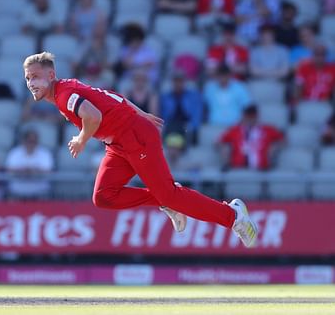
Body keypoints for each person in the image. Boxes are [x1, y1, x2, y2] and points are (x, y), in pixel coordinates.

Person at [23, 51, 258, 247]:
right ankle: (166, 201)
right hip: (118, 143)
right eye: (27, 79)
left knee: (170, 194)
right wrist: (140, 112)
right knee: (104, 196)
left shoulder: (64, 95)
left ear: (51, 75)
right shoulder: (67, 88)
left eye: (36, 77)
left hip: (134, 136)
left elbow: (92, 116)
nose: (31, 83)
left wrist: (81, 140)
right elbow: (111, 96)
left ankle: (234, 216)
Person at [219, 105, 283, 170]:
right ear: (243, 116)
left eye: (252, 116)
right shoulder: (235, 130)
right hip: (238, 165)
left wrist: (274, 147)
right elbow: (220, 142)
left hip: (261, 167)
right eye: (248, 116)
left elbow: (282, 140)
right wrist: (226, 150)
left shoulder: (267, 129)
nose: (250, 119)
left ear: (257, 116)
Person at [5, 129, 54, 199]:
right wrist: (27, 171)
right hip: (17, 192)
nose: (32, 144)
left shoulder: (45, 154)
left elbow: (48, 172)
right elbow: (9, 171)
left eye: (34, 141)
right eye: (29, 141)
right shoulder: (14, 153)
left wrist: (29, 171)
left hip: (40, 192)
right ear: (24, 141)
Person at [159, 70, 203, 142]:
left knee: (188, 132)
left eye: (180, 81)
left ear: (184, 82)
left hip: (186, 125)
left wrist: (193, 126)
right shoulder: (166, 97)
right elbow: (163, 115)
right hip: (171, 125)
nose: (178, 84)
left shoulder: (193, 96)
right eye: (176, 81)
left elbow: (196, 114)